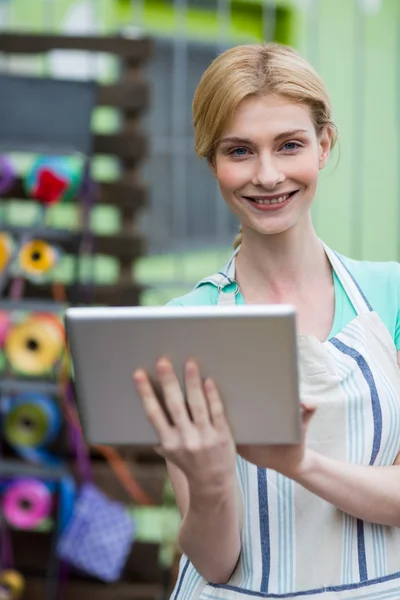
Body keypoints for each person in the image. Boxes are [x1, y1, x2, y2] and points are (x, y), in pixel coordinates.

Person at [133, 42, 400, 599]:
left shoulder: (391, 295)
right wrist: (207, 484)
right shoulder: (185, 324)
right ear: (212, 162)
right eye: (240, 151)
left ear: (324, 145)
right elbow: (215, 563)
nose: (268, 174)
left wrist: (299, 463)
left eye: (290, 145)